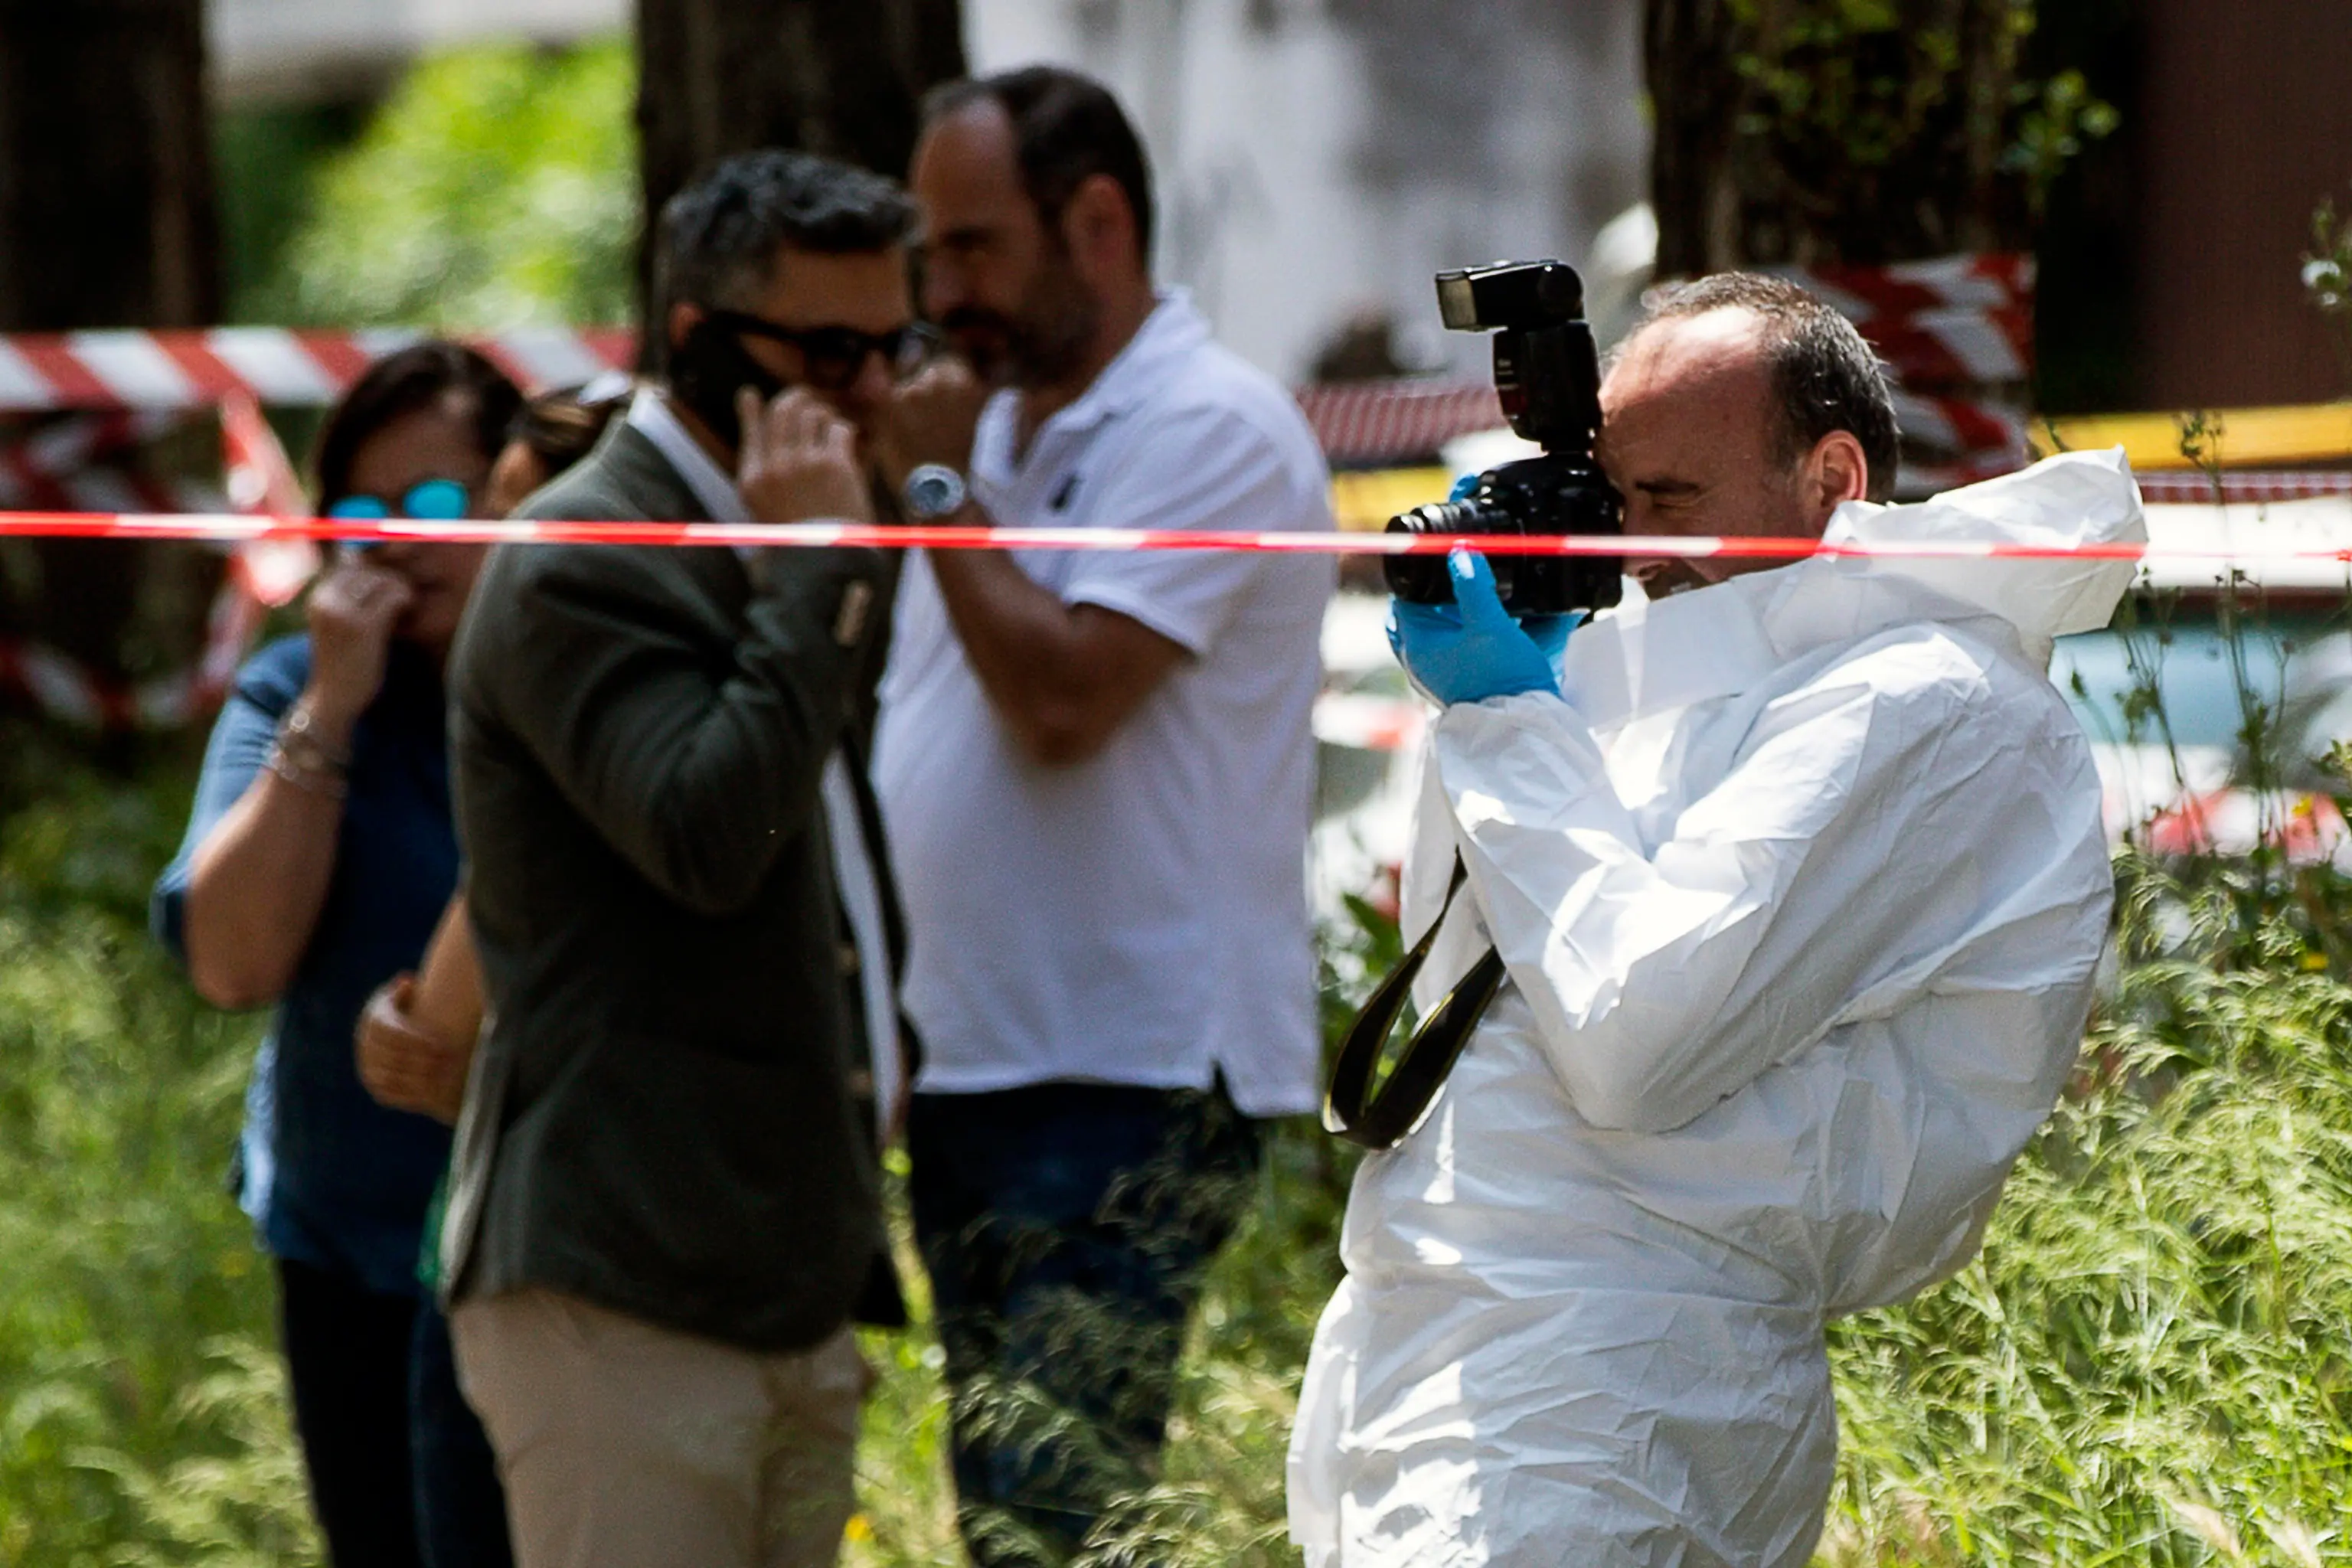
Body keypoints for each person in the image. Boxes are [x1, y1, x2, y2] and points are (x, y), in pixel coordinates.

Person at [1285, 273, 2145, 1566]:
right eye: (1612, 501)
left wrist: (1514, 721)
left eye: (1670, 501)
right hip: (1442, 1352)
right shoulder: (1702, 683)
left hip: (1612, 1397)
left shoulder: (1931, 706)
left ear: (1833, 476)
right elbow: (1478, 986)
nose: (1631, 550)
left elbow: (1638, 1036)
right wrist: (1529, 678)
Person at [874, 66, 1337, 1564]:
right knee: (1006, 1518)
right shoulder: (992, 419)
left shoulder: (1213, 424)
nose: (943, 294)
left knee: (1062, 1528)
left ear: (1098, 221)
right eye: (928, 255)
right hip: (985, 1057)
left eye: (974, 247)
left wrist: (936, 491)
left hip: (1129, 1067)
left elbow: (1065, 701)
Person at [436, 148, 923, 1568]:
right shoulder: (579, 557)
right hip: (623, 1283)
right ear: (705, 344)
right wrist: (817, 572)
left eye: (895, 345)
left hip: (773, 1272)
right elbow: (712, 837)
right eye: (833, 352)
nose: (877, 389)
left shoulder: (778, 542)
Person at [151, 341, 523, 1568]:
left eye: (436, 503)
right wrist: (334, 713)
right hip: (355, 1251)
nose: (401, 542)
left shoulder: (582, 680)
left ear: (518, 496)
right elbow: (230, 962)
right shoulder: (297, 686)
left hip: (552, 1258)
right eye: (364, 511)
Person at [351, 380, 627, 1568]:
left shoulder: (584, 709)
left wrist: (418, 1016)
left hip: (566, 1282)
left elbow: (426, 1038)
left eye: (520, 523)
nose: (499, 564)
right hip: (507, 1258)